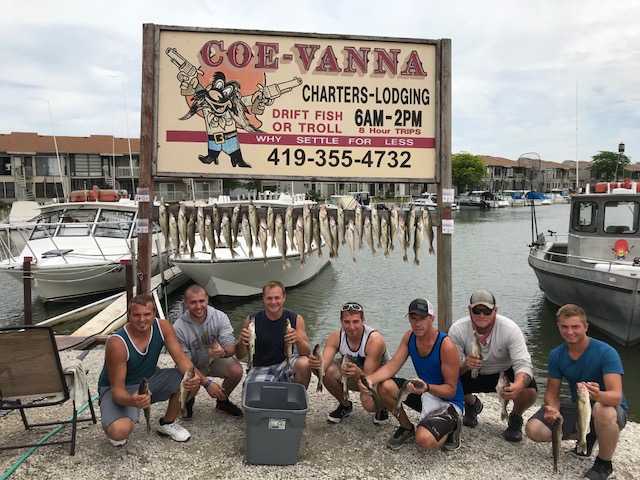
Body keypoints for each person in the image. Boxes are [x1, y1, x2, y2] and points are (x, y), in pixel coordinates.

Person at [97, 293, 217, 446]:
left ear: (154, 313)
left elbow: (181, 359)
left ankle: (167, 423)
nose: (142, 320)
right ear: (129, 315)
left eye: (147, 314)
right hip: (120, 388)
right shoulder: (117, 343)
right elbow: (117, 390)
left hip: (148, 380)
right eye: (137, 315)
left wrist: (204, 382)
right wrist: (132, 401)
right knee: (119, 434)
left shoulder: (163, 327)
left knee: (191, 380)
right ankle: (120, 415)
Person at [525, 304, 628, 480]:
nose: (569, 332)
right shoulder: (556, 355)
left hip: (609, 409)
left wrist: (597, 395)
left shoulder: (606, 352)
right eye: (564, 327)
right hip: (579, 403)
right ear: (558, 326)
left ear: (585, 327)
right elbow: (551, 392)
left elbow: (616, 396)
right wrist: (553, 408)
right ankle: (590, 435)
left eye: (575, 327)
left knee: (601, 410)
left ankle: (605, 464)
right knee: (534, 429)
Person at [361, 298, 464, 451]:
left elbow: (451, 389)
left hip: (448, 401)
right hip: (423, 392)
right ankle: (407, 428)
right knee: (384, 386)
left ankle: (453, 426)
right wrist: (369, 380)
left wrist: (427, 388)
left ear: (432, 319)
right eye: (413, 318)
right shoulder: (410, 337)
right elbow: (392, 366)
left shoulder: (445, 345)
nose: (417, 323)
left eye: (422, 318)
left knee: (424, 442)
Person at [448, 290, 537, 442]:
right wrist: (464, 365)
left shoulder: (510, 329)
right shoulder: (457, 329)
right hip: (473, 371)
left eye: (487, 311)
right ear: (470, 310)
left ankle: (515, 416)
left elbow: (523, 364)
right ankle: (472, 404)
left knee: (529, 391)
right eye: (477, 310)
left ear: (495, 310)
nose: (482, 315)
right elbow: (450, 368)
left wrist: (517, 386)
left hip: (503, 373)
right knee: (446, 381)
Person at [308, 301, 391, 424]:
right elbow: (324, 365)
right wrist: (315, 363)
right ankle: (345, 405)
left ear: (363, 320)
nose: (351, 327)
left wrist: (357, 373)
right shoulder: (335, 337)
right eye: (347, 322)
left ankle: (383, 406)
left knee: (368, 403)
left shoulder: (374, 340)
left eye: (355, 322)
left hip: (376, 378)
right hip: (354, 375)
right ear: (341, 321)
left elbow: (369, 378)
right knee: (325, 370)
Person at [173, 284, 243, 419]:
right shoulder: (178, 327)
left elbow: (230, 346)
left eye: (201, 301)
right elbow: (185, 362)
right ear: (185, 303)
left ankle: (222, 402)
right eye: (193, 302)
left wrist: (223, 352)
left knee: (236, 370)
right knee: (190, 381)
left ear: (207, 299)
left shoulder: (220, 317)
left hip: (215, 361)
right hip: (193, 365)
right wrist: (207, 384)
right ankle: (188, 401)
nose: (198, 306)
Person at [236, 280, 312, 386]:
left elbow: (306, 353)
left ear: (284, 298)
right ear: (264, 298)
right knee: (254, 394)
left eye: (277, 298)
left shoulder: (296, 319)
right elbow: (239, 355)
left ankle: (295, 399)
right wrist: (241, 341)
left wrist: (298, 339)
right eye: (269, 298)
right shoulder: (252, 320)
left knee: (304, 363)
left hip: (285, 363)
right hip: (260, 367)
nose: (273, 302)